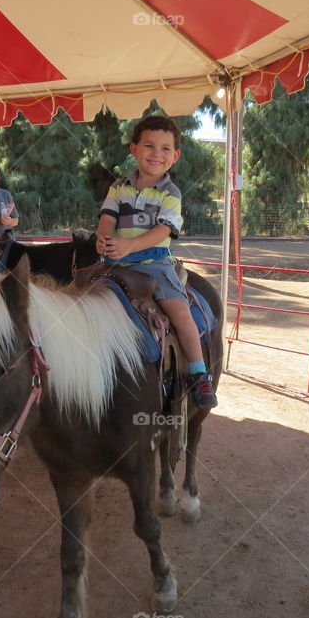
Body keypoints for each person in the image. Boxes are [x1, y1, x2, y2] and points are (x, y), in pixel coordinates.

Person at [96, 115, 217, 408]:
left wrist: (129, 245)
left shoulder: (170, 193)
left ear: (175, 156)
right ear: (133, 149)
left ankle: (199, 373)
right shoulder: (119, 186)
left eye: (165, 149)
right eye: (149, 146)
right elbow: (107, 217)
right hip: (115, 261)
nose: (156, 154)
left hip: (154, 262)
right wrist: (103, 238)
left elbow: (163, 230)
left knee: (179, 311)